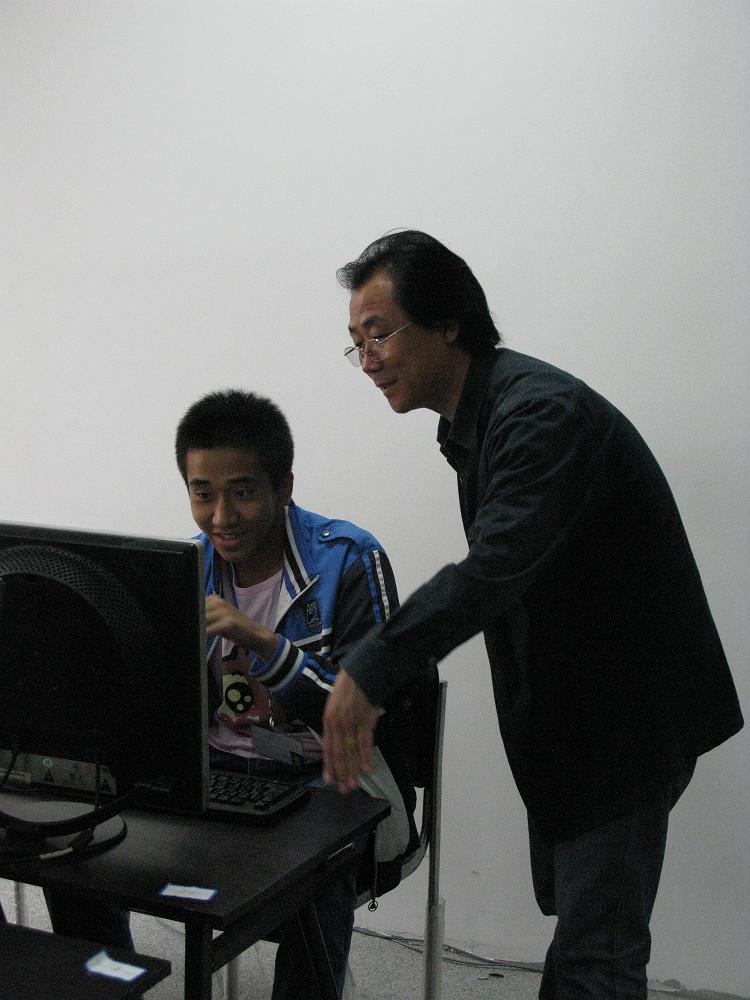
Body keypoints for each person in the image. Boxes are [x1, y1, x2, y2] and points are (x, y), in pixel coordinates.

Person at [322, 230, 744, 1000]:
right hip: (579, 716)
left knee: (598, 956)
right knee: (587, 940)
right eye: (357, 343)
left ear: (448, 322)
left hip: (625, 723)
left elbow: (492, 571)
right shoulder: (479, 419)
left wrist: (370, 669)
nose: (369, 358)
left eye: (379, 333)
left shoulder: (541, 415)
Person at [46, 388, 418, 1000]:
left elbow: (372, 713)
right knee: (75, 835)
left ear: (283, 486)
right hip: (213, 772)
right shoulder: (186, 569)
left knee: (320, 866)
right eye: (202, 494)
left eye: (242, 493)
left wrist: (263, 643)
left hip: (328, 776)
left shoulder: (349, 560)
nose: (221, 516)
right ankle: (110, 987)